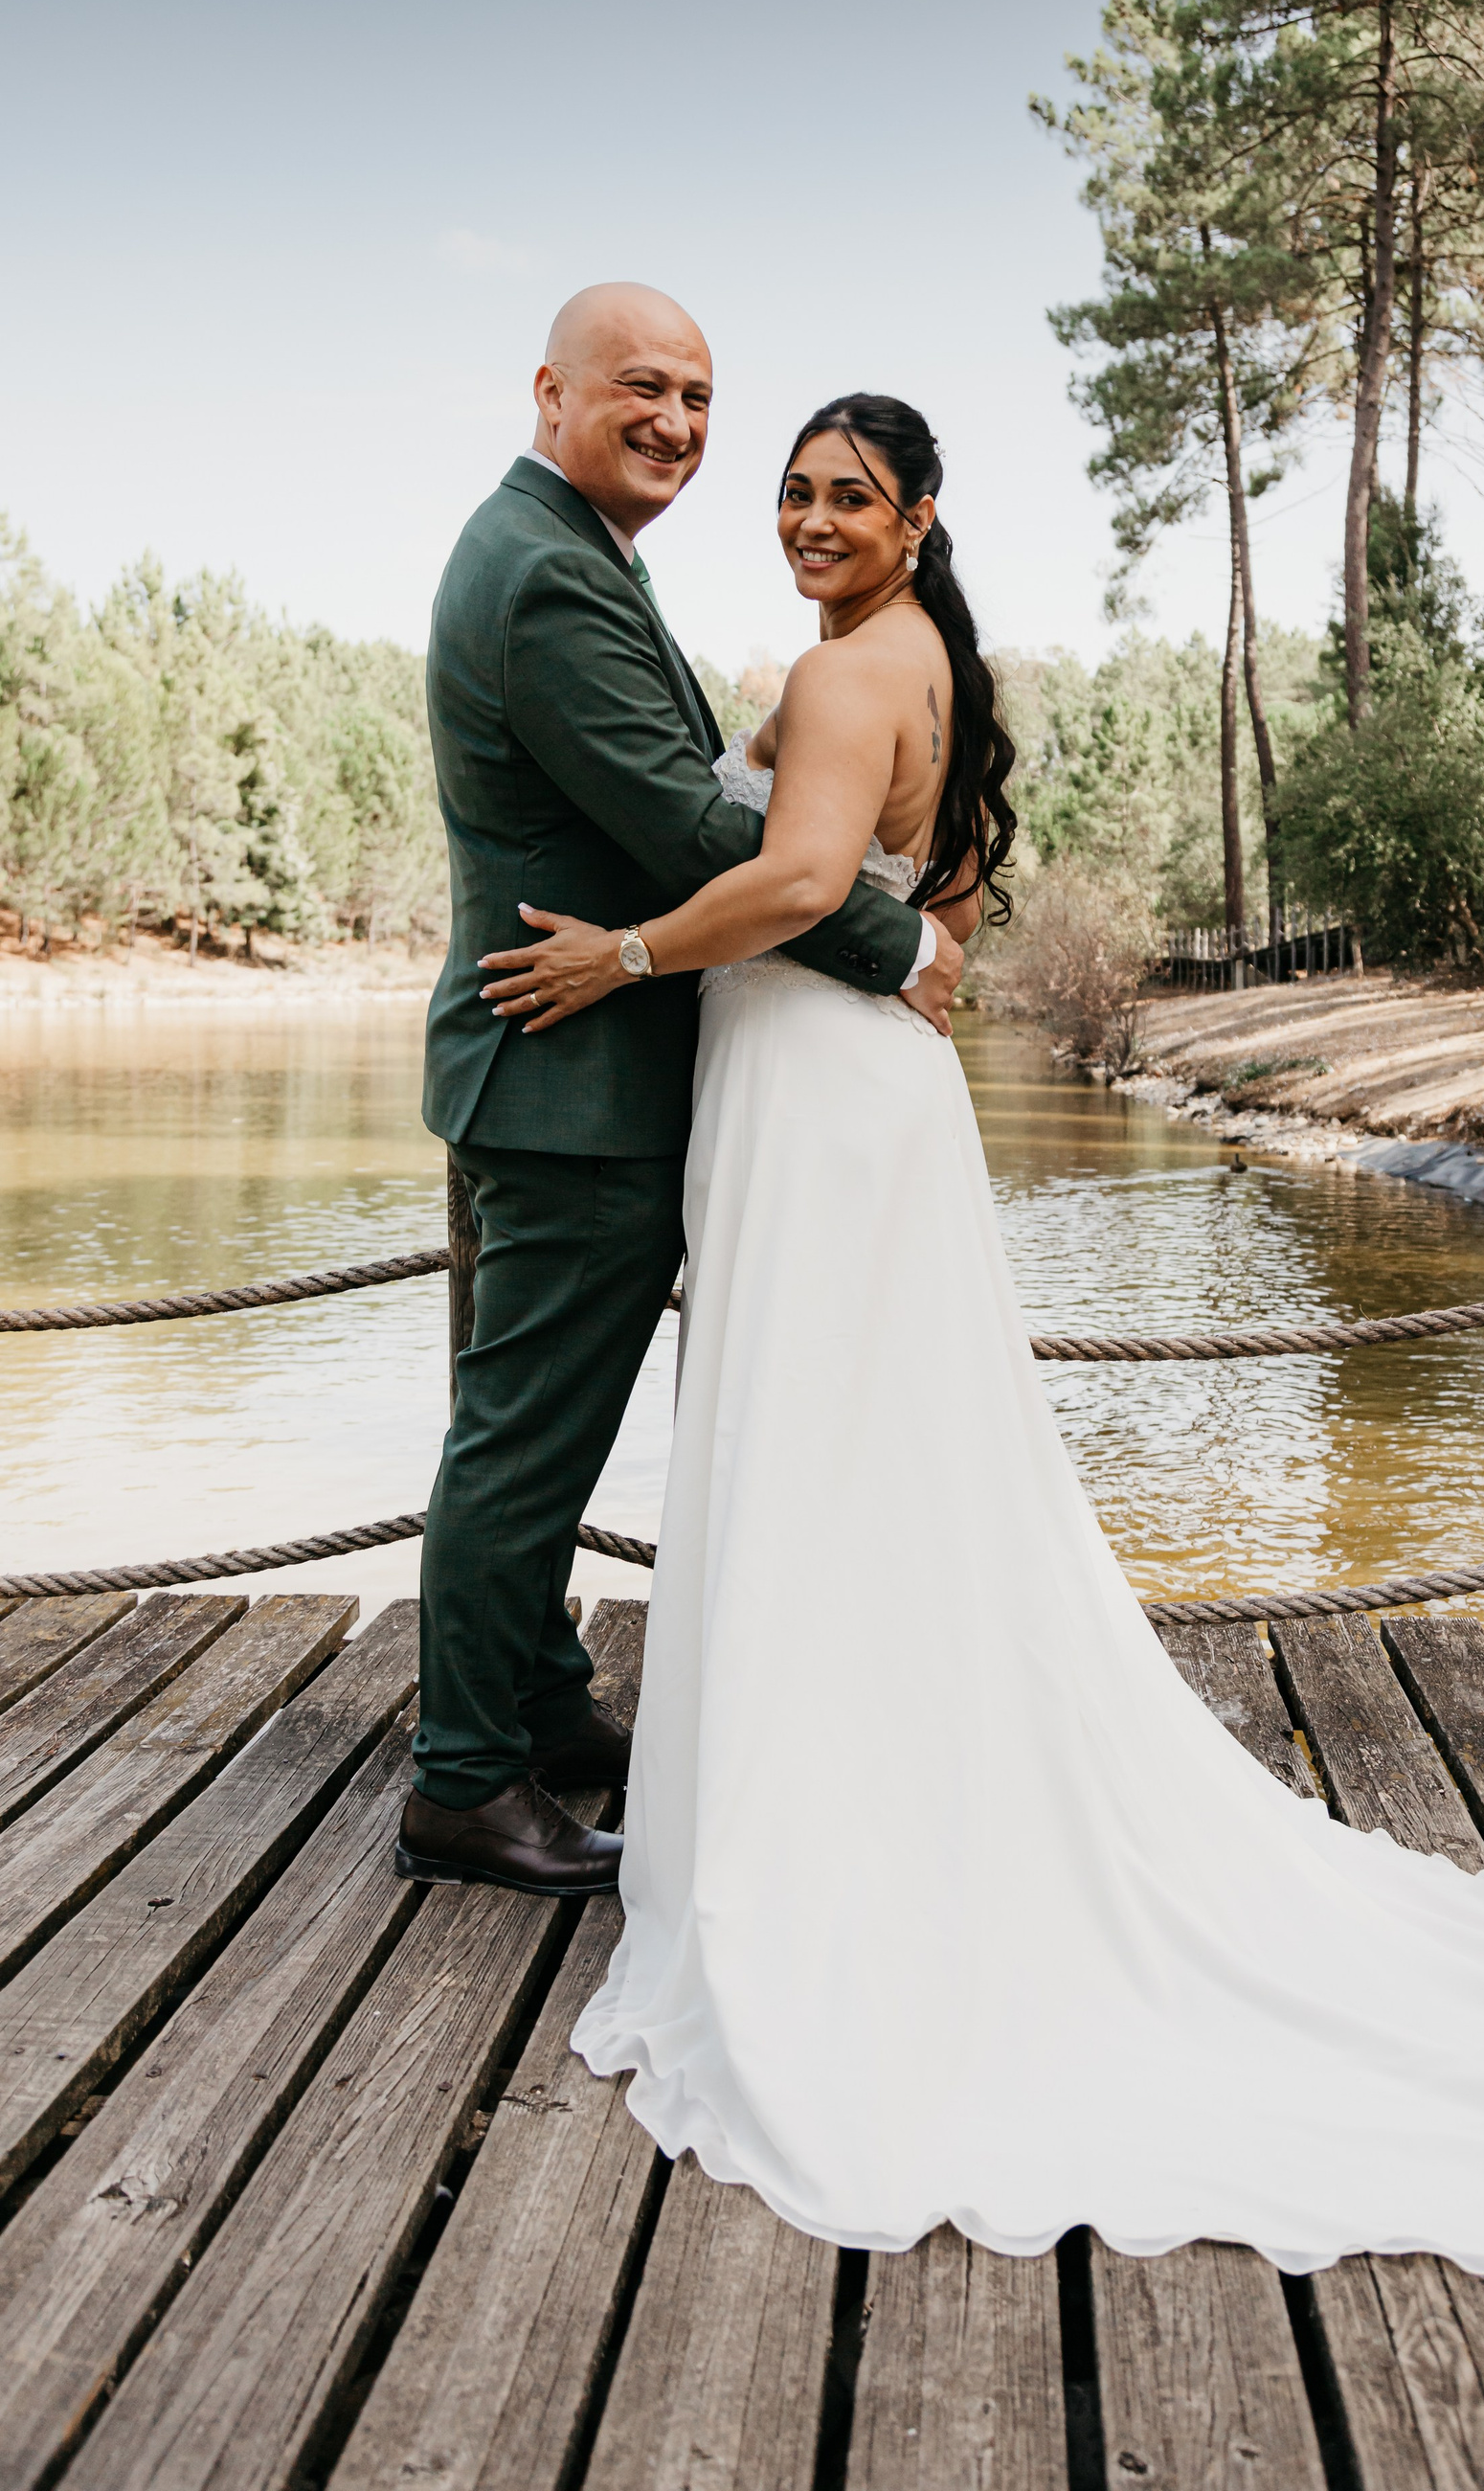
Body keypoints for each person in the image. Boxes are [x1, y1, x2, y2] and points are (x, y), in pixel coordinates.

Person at [477, 390, 1484, 2276]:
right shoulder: (929, 659)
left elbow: (797, 885)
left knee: (815, 1441)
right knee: (879, 1447)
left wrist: (614, 956)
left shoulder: (849, 667)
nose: (807, 519)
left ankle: (824, 1824)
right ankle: (876, 1778)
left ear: (916, 515)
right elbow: (928, 899)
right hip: (864, 1089)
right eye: (792, 493)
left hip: (812, 1087)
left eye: (848, 496)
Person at [399, 293, 963, 1897]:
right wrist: (896, 942)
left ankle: (536, 1702)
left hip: (588, 1070)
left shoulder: (575, 552)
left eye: (700, 397)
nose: (675, 422)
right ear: (551, 390)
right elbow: (681, 822)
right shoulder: (546, 574)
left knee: (543, 1429)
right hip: (567, 1078)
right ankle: (464, 1782)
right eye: (642, 387)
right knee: (525, 1440)